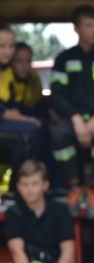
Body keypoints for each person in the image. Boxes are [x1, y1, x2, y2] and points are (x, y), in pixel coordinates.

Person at [50, 6, 94, 218]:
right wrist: (77, 120)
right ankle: (74, 188)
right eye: (89, 26)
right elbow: (57, 96)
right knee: (59, 135)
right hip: (74, 118)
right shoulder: (64, 59)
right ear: (77, 28)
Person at [0, 24, 42, 196]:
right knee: (28, 133)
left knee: (42, 127)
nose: (8, 51)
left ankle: (49, 183)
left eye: (11, 46)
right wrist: (26, 120)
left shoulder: (7, 71)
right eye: (2, 46)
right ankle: (19, 189)